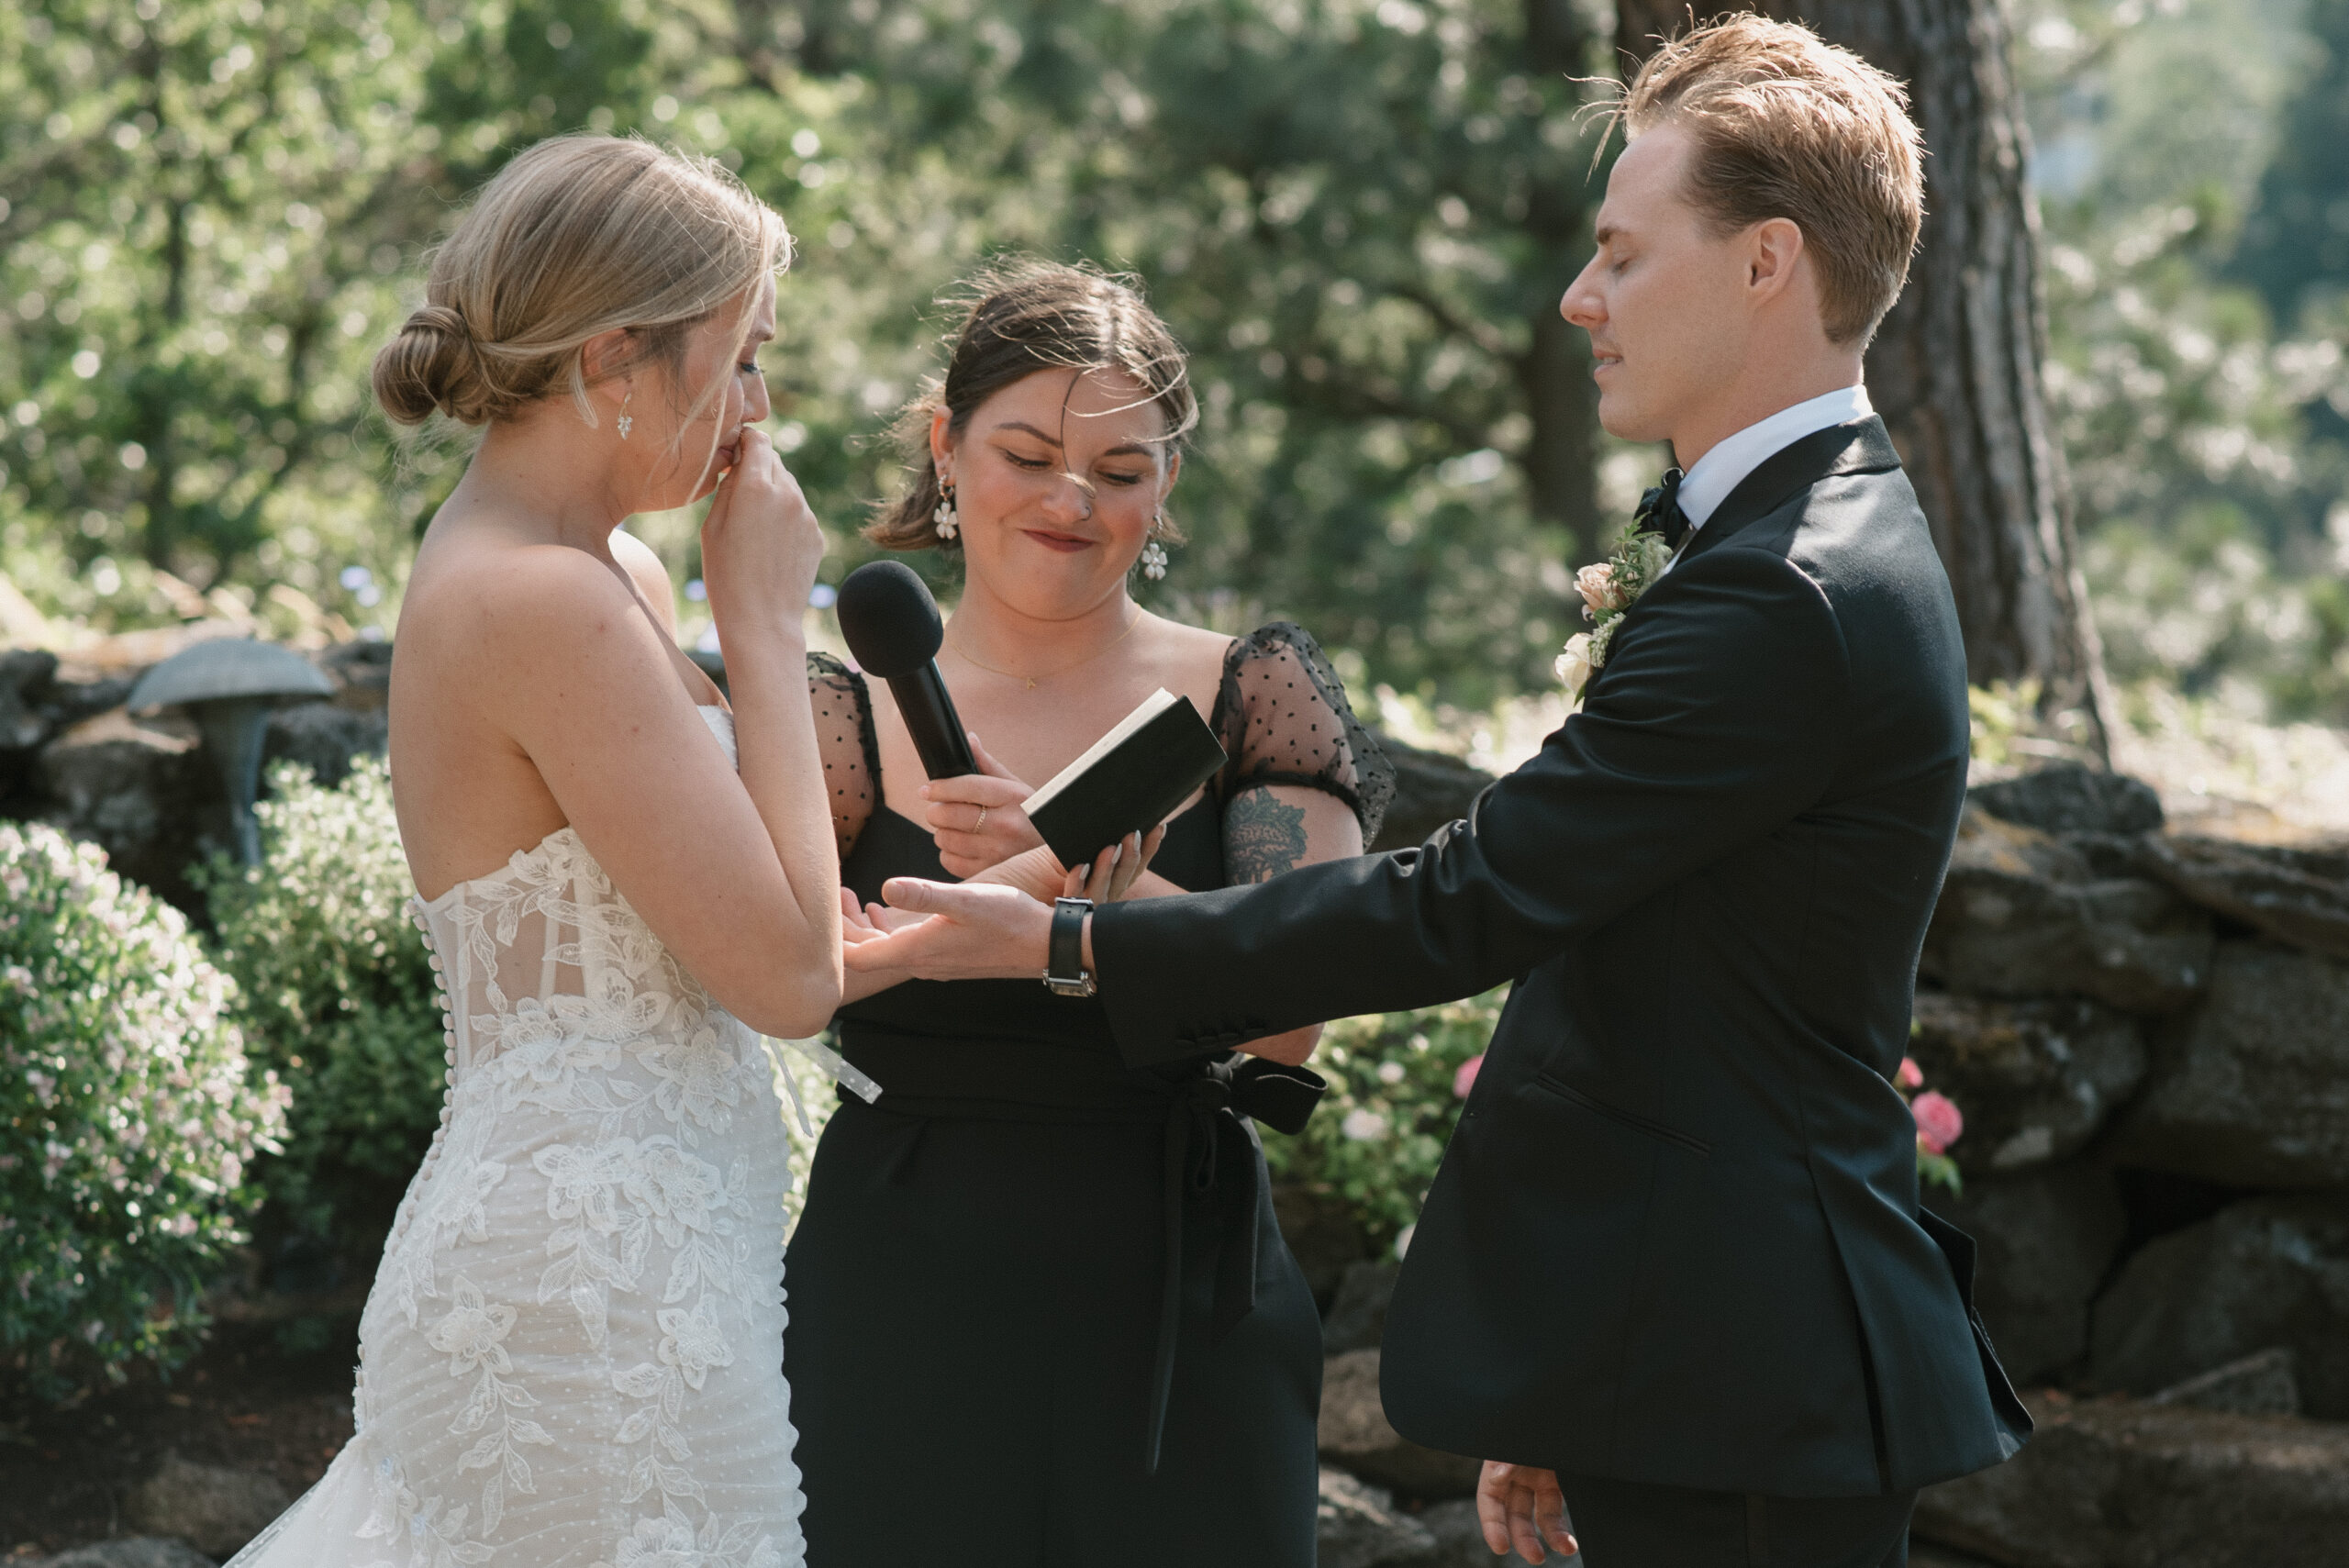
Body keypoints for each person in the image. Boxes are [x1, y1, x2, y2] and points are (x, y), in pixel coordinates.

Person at [838, 19, 2035, 1568]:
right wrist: (1562, 1376)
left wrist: (1071, 939)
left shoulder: (1787, 589)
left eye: (1620, 252)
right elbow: (1642, 970)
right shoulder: (1784, 545)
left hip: (1737, 1362)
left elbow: (1469, 900)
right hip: (1669, 1346)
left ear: (1767, 265)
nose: (1578, 298)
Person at [225, 135, 858, 1568]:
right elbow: (789, 974)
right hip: (588, 1299)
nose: (759, 406)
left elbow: (734, 901)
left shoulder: (601, 571)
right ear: (615, 360)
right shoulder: (539, 599)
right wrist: (761, 623)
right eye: (743, 357)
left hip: (657, 1268)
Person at [783, 259, 1394, 1568]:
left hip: (1172, 1281)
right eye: (1027, 453)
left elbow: (1295, 1026)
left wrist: (1085, 884)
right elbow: (774, 975)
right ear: (948, 450)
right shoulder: (842, 712)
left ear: (1166, 484)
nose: (1073, 500)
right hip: (900, 1276)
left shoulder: (1252, 691)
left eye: (1122, 470)